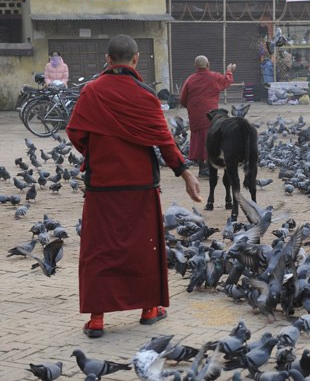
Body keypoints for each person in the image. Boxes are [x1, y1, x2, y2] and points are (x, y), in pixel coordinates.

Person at [66, 34, 202, 338]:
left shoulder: (91, 92)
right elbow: (164, 141)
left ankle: (97, 318)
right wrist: (185, 174)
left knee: (100, 250)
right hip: (140, 185)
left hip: (103, 185)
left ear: (108, 60)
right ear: (137, 59)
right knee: (144, 248)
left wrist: (96, 151)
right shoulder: (145, 96)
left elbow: (75, 132)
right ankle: (149, 309)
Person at [180, 55, 236, 177]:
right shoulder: (213, 77)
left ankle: (202, 168)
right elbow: (227, 80)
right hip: (210, 115)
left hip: (195, 115)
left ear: (195, 66)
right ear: (208, 64)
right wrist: (229, 71)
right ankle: (209, 170)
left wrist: (192, 107)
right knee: (210, 139)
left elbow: (183, 99)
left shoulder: (190, 79)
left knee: (199, 139)